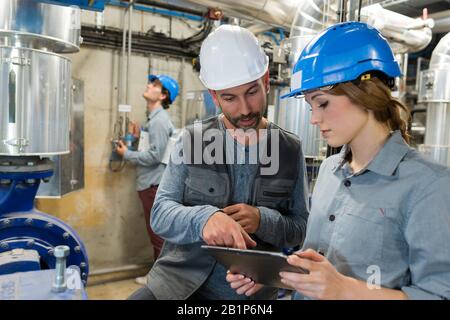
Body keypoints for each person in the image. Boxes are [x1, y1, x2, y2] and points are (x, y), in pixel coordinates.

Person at [227, 21, 450, 300]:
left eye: (322, 103)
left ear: (366, 94)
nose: (313, 118)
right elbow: (316, 264)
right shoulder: (331, 170)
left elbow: (438, 295)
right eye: (310, 106)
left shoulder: (429, 185)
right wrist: (273, 276)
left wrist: (345, 290)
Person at [128, 24, 310, 300]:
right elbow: (161, 214)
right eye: (230, 98)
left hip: (252, 293)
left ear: (266, 80)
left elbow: (300, 228)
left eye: (252, 92)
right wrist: (204, 218)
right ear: (214, 96)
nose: (245, 109)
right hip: (179, 285)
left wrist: (263, 220)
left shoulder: (289, 149)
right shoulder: (192, 140)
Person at [116, 74, 178, 284]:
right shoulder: (153, 120)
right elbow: (152, 149)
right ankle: (161, 276)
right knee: (156, 234)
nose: (148, 85)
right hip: (149, 183)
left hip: (153, 184)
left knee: (158, 235)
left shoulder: (159, 121)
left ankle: (160, 279)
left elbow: (155, 156)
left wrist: (127, 154)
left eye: (154, 85)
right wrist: (136, 137)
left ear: (163, 95)